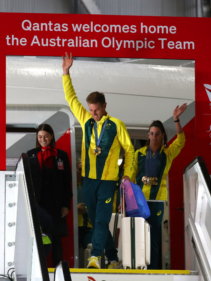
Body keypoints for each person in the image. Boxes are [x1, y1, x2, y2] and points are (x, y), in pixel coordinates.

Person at [62, 52, 135, 269]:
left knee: (102, 220)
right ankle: (113, 258)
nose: (93, 114)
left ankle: (95, 256)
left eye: (97, 110)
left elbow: (130, 150)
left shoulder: (116, 125)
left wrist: (128, 175)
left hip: (107, 181)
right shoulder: (85, 119)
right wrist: (66, 73)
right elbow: (71, 98)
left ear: (105, 105)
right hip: (88, 180)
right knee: (97, 221)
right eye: (91, 110)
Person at [130, 104, 187, 269]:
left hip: (157, 202)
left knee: (154, 237)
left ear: (162, 135)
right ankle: (139, 268)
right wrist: (127, 199)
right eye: (151, 134)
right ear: (148, 135)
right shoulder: (138, 153)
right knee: (139, 236)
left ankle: (153, 271)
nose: (153, 136)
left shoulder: (167, 154)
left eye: (156, 134)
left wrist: (176, 119)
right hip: (139, 201)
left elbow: (181, 140)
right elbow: (131, 178)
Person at [27, 124, 73, 267]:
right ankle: (35, 269)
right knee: (36, 239)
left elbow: (67, 182)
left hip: (56, 205)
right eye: (40, 137)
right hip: (38, 206)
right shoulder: (30, 154)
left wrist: (66, 204)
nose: (43, 139)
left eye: (45, 136)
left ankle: (57, 272)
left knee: (57, 240)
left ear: (52, 136)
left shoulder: (61, 155)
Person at [76, 158, 94, 250]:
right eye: (80, 169)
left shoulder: (91, 185)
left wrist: (88, 208)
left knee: (90, 250)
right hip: (73, 226)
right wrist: (76, 208)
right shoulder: (69, 185)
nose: (82, 172)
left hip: (88, 226)